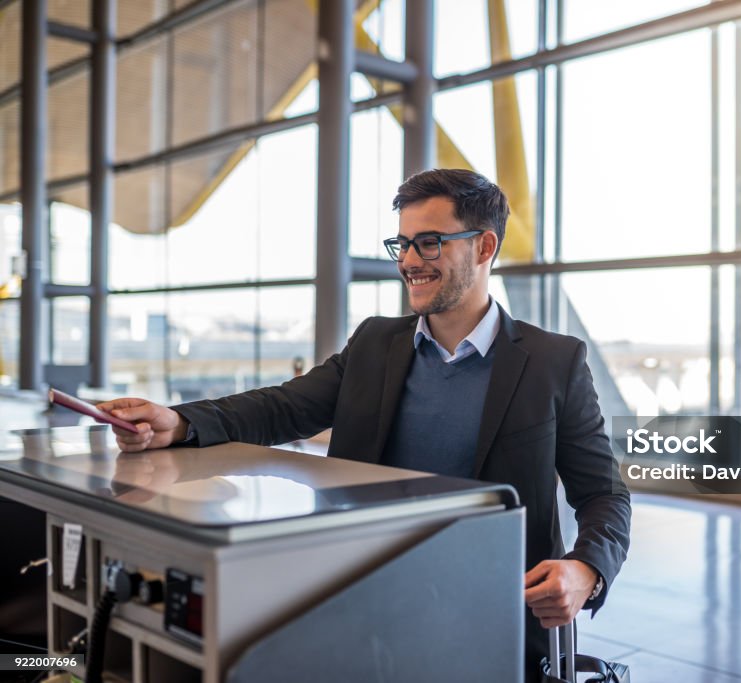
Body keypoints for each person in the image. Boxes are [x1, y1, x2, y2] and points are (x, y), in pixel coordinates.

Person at [98, 168, 631, 678]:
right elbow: (282, 407)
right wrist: (179, 421)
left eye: (430, 242)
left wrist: (586, 568)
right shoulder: (376, 342)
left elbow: (604, 493)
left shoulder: (553, 361)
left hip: (494, 613)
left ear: (484, 247)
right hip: (366, 598)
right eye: (401, 244)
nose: (409, 261)